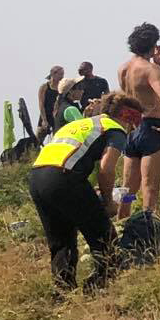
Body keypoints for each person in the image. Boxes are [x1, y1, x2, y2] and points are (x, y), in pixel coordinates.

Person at [26, 90, 143, 291]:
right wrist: (108, 202)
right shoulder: (114, 128)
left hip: (37, 177)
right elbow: (107, 169)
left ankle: (63, 294)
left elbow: (80, 157)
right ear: (127, 116)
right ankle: (103, 286)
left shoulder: (83, 124)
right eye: (134, 123)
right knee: (103, 235)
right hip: (64, 176)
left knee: (61, 241)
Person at [115, 23, 160, 215]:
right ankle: (149, 227)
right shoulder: (150, 70)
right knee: (150, 187)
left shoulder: (123, 69)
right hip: (151, 128)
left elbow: (125, 99)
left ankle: (123, 220)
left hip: (132, 128)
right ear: (152, 44)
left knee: (128, 188)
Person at [36, 66, 66, 132]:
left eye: (63, 74)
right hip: (45, 114)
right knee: (39, 136)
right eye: (60, 74)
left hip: (57, 116)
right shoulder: (44, 87)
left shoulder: (62, 87)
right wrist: (44, 120)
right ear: (53, 74)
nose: (62, 76)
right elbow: (41, 104)